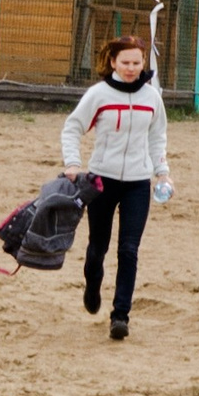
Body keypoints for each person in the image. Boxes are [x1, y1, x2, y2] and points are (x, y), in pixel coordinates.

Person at [61, 34, 171, 341]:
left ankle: (120, 315)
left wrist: (163, 173)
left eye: (137, 62)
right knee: (98, 248)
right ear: (113, 62)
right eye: (125, 62)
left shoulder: (152, 97)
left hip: (138, 182)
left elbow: (157, 137)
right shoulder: (99, 94)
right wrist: (73, 163)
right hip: (102, 180)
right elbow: (72, 127)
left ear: (144, 62)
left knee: (129, 250)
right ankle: (92, 283)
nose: (131, 68)